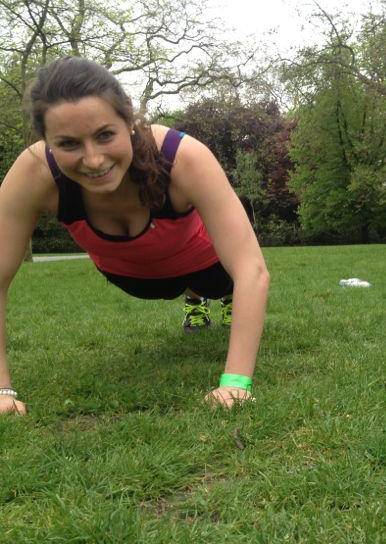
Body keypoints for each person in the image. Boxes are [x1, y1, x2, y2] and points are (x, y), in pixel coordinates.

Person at [0, 57, 270, 415]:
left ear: (129, 121)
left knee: (220, 284)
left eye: (105, 135)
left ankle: (208, 298)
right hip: (134, 278)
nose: (93, 160)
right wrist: (3, 391)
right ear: (47, 142)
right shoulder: (33, 173)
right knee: (160, 284)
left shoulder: (182, 156)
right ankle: (194, 298)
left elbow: (251, 269)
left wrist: (235, 384)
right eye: (68, 144)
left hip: (207, 266)